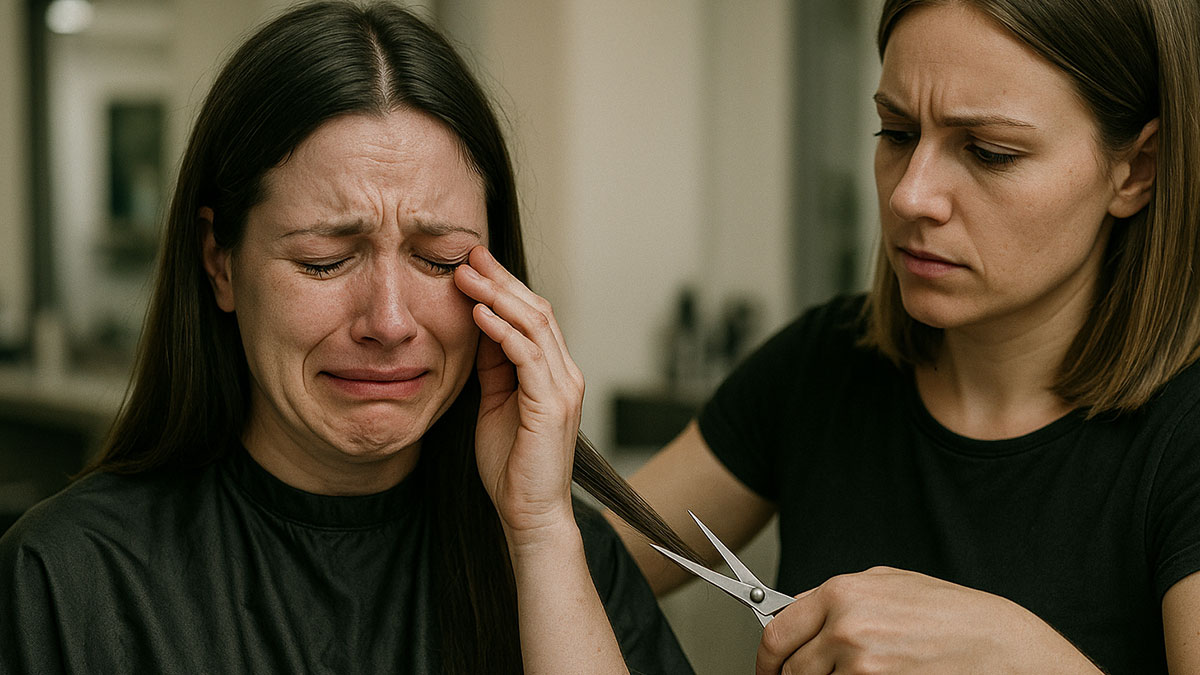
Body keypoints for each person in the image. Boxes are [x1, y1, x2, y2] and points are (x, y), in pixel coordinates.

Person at [0, 3, 694, 673]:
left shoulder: (569, 557)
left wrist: (541, 536)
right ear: (219, 261)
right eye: (324, 261)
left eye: (441, 259)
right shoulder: (68, 578)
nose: (389, 321)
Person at [608, 0, 1200, 673]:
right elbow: (576, 568)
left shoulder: (1184, 436)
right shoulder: (823, 364)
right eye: (895, 132)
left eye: (989, 151)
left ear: (1137, 169)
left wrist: (1017, 652)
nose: (910, 196)